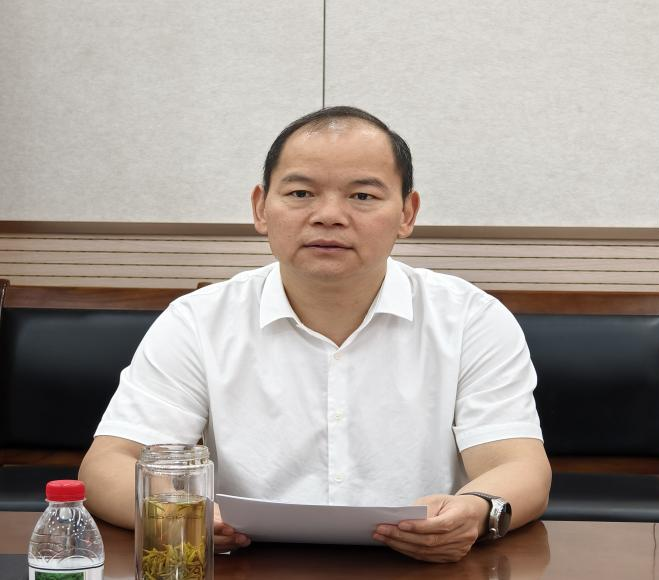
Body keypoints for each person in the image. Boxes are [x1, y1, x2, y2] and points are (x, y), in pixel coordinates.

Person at [79, 105, 551, 563]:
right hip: (246, 562)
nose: (329, 215)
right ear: (261, 208)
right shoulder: (198, 320)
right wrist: (187, 517)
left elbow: (518, 465)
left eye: (362, 196)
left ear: (407, 213)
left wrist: (478, 511)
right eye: (301, 193)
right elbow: (109, 465)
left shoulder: (471, 318)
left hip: (419, 564)